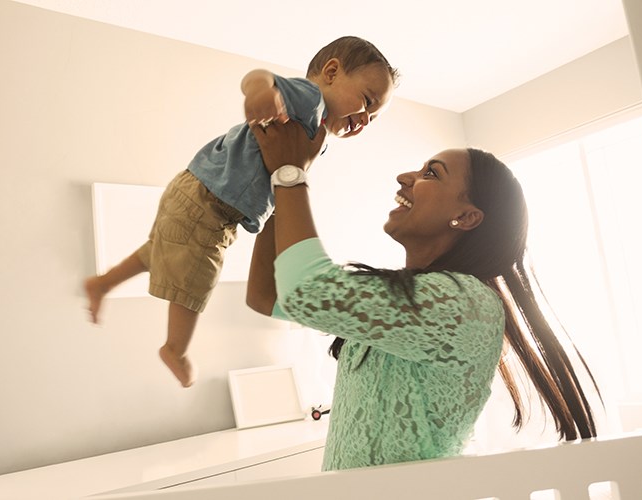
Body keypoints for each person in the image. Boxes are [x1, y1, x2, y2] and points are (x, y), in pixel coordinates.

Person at [245, 119, 599, 471]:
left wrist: (290, 173)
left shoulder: (466, 304)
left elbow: (305, 289)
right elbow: (265, 295)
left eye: (432, 173)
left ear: (466, 216)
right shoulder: (409, 299)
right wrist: (280, 190)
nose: (404, 177)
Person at [84, 36, 399, 388]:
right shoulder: (309, 100)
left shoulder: (318, 127)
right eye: (367, 101)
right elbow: (258, 76)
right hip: (212, 200)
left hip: (199, 190)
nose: (366, 119)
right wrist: (259, 91)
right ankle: (175, 349)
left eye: (374, 116)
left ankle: (102, 283)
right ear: (331, 72)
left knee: (159, 250)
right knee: (198, 272)